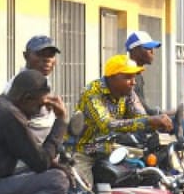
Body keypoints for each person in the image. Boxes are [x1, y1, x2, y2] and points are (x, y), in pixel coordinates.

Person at [69, 54, 173, 183]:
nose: (133, 82)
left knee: (144, 175)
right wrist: (149, 121)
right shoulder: (92, 93)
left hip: (113, 148)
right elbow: (107, 124)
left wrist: (161, 124)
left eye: (134, 77)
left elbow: (141, 117)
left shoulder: (128, 93)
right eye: (128, 77)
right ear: (112, 77)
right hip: (85, 150)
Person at [126, 30, 184, 172]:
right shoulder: (129, 74)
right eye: (148, 48)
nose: (152, 52)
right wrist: (164, 112)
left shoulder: (138, 73)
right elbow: (140, 109)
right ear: (135, 51)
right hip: (135, 125)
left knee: (178, 122)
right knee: (179, 121)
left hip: (140, 120)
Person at [3, 35, 65, 145]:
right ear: (26, 56)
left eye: (51, 55)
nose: (47, 59)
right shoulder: (17, 87)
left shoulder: (42, 80)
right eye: (40, 54)